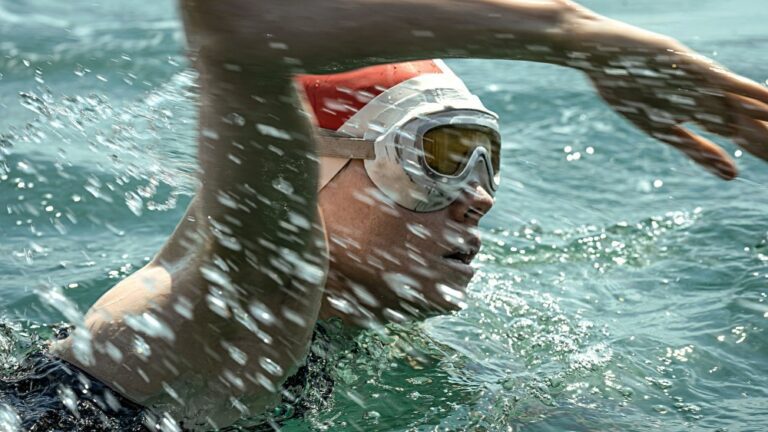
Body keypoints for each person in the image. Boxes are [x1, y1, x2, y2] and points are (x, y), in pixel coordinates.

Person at [23, 0, 768, 430]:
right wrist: (580, 36)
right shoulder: (249, 304)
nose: (478, 194)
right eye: (438, 154)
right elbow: (239, 29)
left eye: (487, 158)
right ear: (309, 176)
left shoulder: (328, 321)